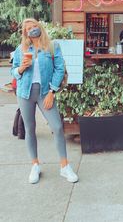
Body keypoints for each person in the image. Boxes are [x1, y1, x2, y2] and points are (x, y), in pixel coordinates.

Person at [11, 18, 78, 184]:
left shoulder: (52, 46)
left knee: (57, 126)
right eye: (29, 28)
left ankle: (64, 166)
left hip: (44, 93)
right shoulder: (21, 49)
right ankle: (35, 165)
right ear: (25, 32)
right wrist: (21, 68)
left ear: (39, 27)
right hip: (25, 93)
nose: (33, 29)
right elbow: (14, 72)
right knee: (30, 128)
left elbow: (60, 69)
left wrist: (52, 91)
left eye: (35, 26)